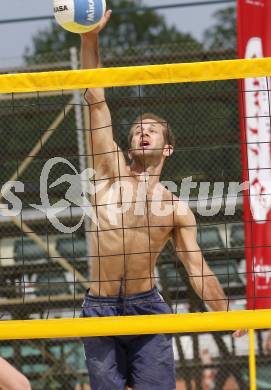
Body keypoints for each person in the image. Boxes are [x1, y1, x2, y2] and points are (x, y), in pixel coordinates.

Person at [79, 9, 246, 390]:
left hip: (146, 306)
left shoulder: (176, 208)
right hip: (100, 308)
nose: (142, 134)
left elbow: (197, 268)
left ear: (167, 148)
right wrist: (90, 39)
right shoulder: (110, 173)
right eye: (137, 129)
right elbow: (95, 100)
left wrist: (227, 313)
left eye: (151, 131)